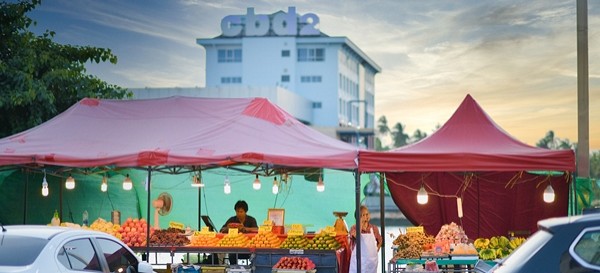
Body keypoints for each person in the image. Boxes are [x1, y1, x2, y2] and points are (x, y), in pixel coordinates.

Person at [219, 200, 258, 265]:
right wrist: (228, 228)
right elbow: (221, 230)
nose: (239, 214)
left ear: (246, 212)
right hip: (234, 247)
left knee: (255, 256)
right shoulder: (232, 219)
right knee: (232, 256)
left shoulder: (251, 220)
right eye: (237, 211)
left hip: (248, 248)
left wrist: (245, 229)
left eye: (241, 212)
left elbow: (257, 230)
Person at [348, 205, 382, 273]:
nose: (366, 217)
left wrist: (377, 249)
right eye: (363, 215)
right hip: (359, 261)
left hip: (371, 262)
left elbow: (380, 240)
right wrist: (360, 223)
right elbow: (356, 236)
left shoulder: (374, 228)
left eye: (367, 214)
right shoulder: (354, 228)